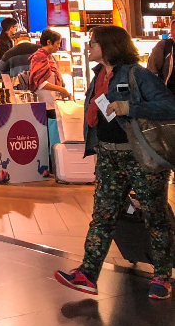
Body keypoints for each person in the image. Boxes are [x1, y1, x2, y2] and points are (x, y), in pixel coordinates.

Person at [55, 25, 175, 300]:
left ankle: (162, 276)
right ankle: (87, 274)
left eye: (93, 43)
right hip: (109, 156)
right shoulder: (99, 75)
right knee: (103, 216)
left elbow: (170, 105)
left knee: (155, 215)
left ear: (109, 46)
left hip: (141, 156)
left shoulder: (137, 75)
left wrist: (131, 107)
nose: (89, 47)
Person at [29, 29, 71, 104]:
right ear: (49, 42)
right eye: (58, 43)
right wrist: (60, 89)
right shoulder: (39, 57)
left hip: (52, 101)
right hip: (43, 102)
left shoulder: (49, 57)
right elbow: (39, 83)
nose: (59, 46)